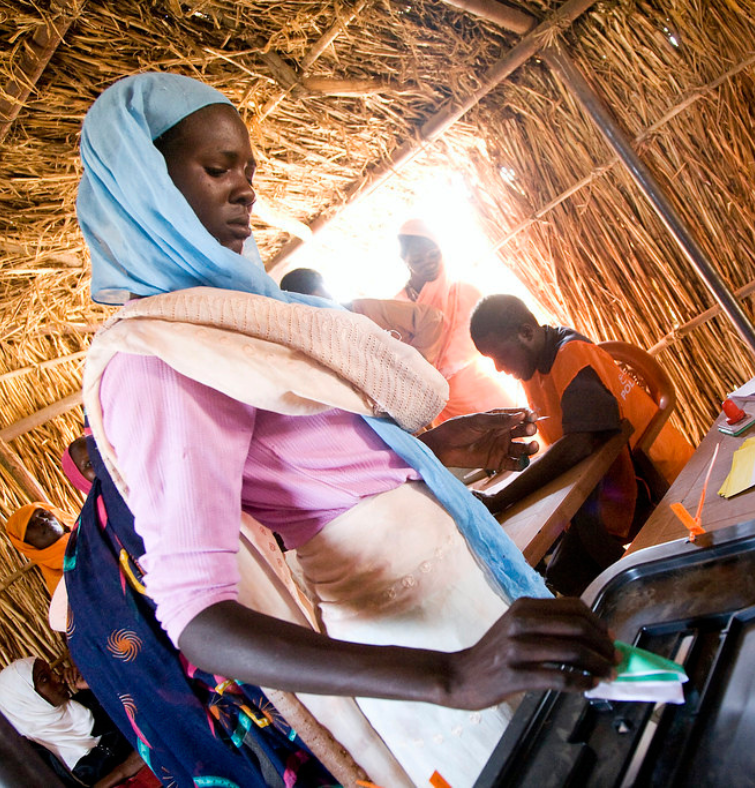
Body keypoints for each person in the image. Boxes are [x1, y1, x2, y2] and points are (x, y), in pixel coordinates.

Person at [67, 72, 617, 788]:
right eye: (216, 168)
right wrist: (451, 675)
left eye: (248, 169)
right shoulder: (159, 359)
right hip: (420, 643)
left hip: (460, 604)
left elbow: (324, 477)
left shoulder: (246, 322)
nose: (245, 189)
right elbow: (198, 617)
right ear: (144, 186)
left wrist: (432, 452)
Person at [470, 295, 695, 596]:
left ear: (526, 333)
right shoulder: (535, 368)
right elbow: (564, 439)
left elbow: (580, 445)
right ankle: (651, 591)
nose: (498, 368)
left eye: (499, 356)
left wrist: (500, 499)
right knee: (563, 568)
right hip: (611, 477)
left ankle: (662, 591)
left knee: (573, 566)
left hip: (650, 475)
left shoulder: (571, 357)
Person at [395, 219, 515, 420]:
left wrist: (438, 365)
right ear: (404, 259)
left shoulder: (466, 293)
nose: (429, 262)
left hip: (481, 391)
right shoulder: (399, 306)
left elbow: (481, 341)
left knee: (515, 440)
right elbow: (403, 358)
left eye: (434, 254)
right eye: (417, 259)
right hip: (441, 404)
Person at [0, 657, 152, 788]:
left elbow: (146, 703)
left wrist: (95, 683)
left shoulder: (89, 699)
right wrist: (123, 770)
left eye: (51, 672)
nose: (57, 678)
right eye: (45, 679)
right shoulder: (38, 757)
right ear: (24, 699)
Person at [282, 266, 447, 363]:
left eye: (316, 297)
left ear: (324, 289)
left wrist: (417, 363)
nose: (318, 306)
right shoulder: (324, 338)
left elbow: (432, 318)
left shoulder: (365, 309)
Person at [4, 502, 72, 595]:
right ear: (26, 544)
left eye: (43, 514)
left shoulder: (90, 533)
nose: (43, 521)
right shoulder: (60, 590)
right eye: (31, 524)